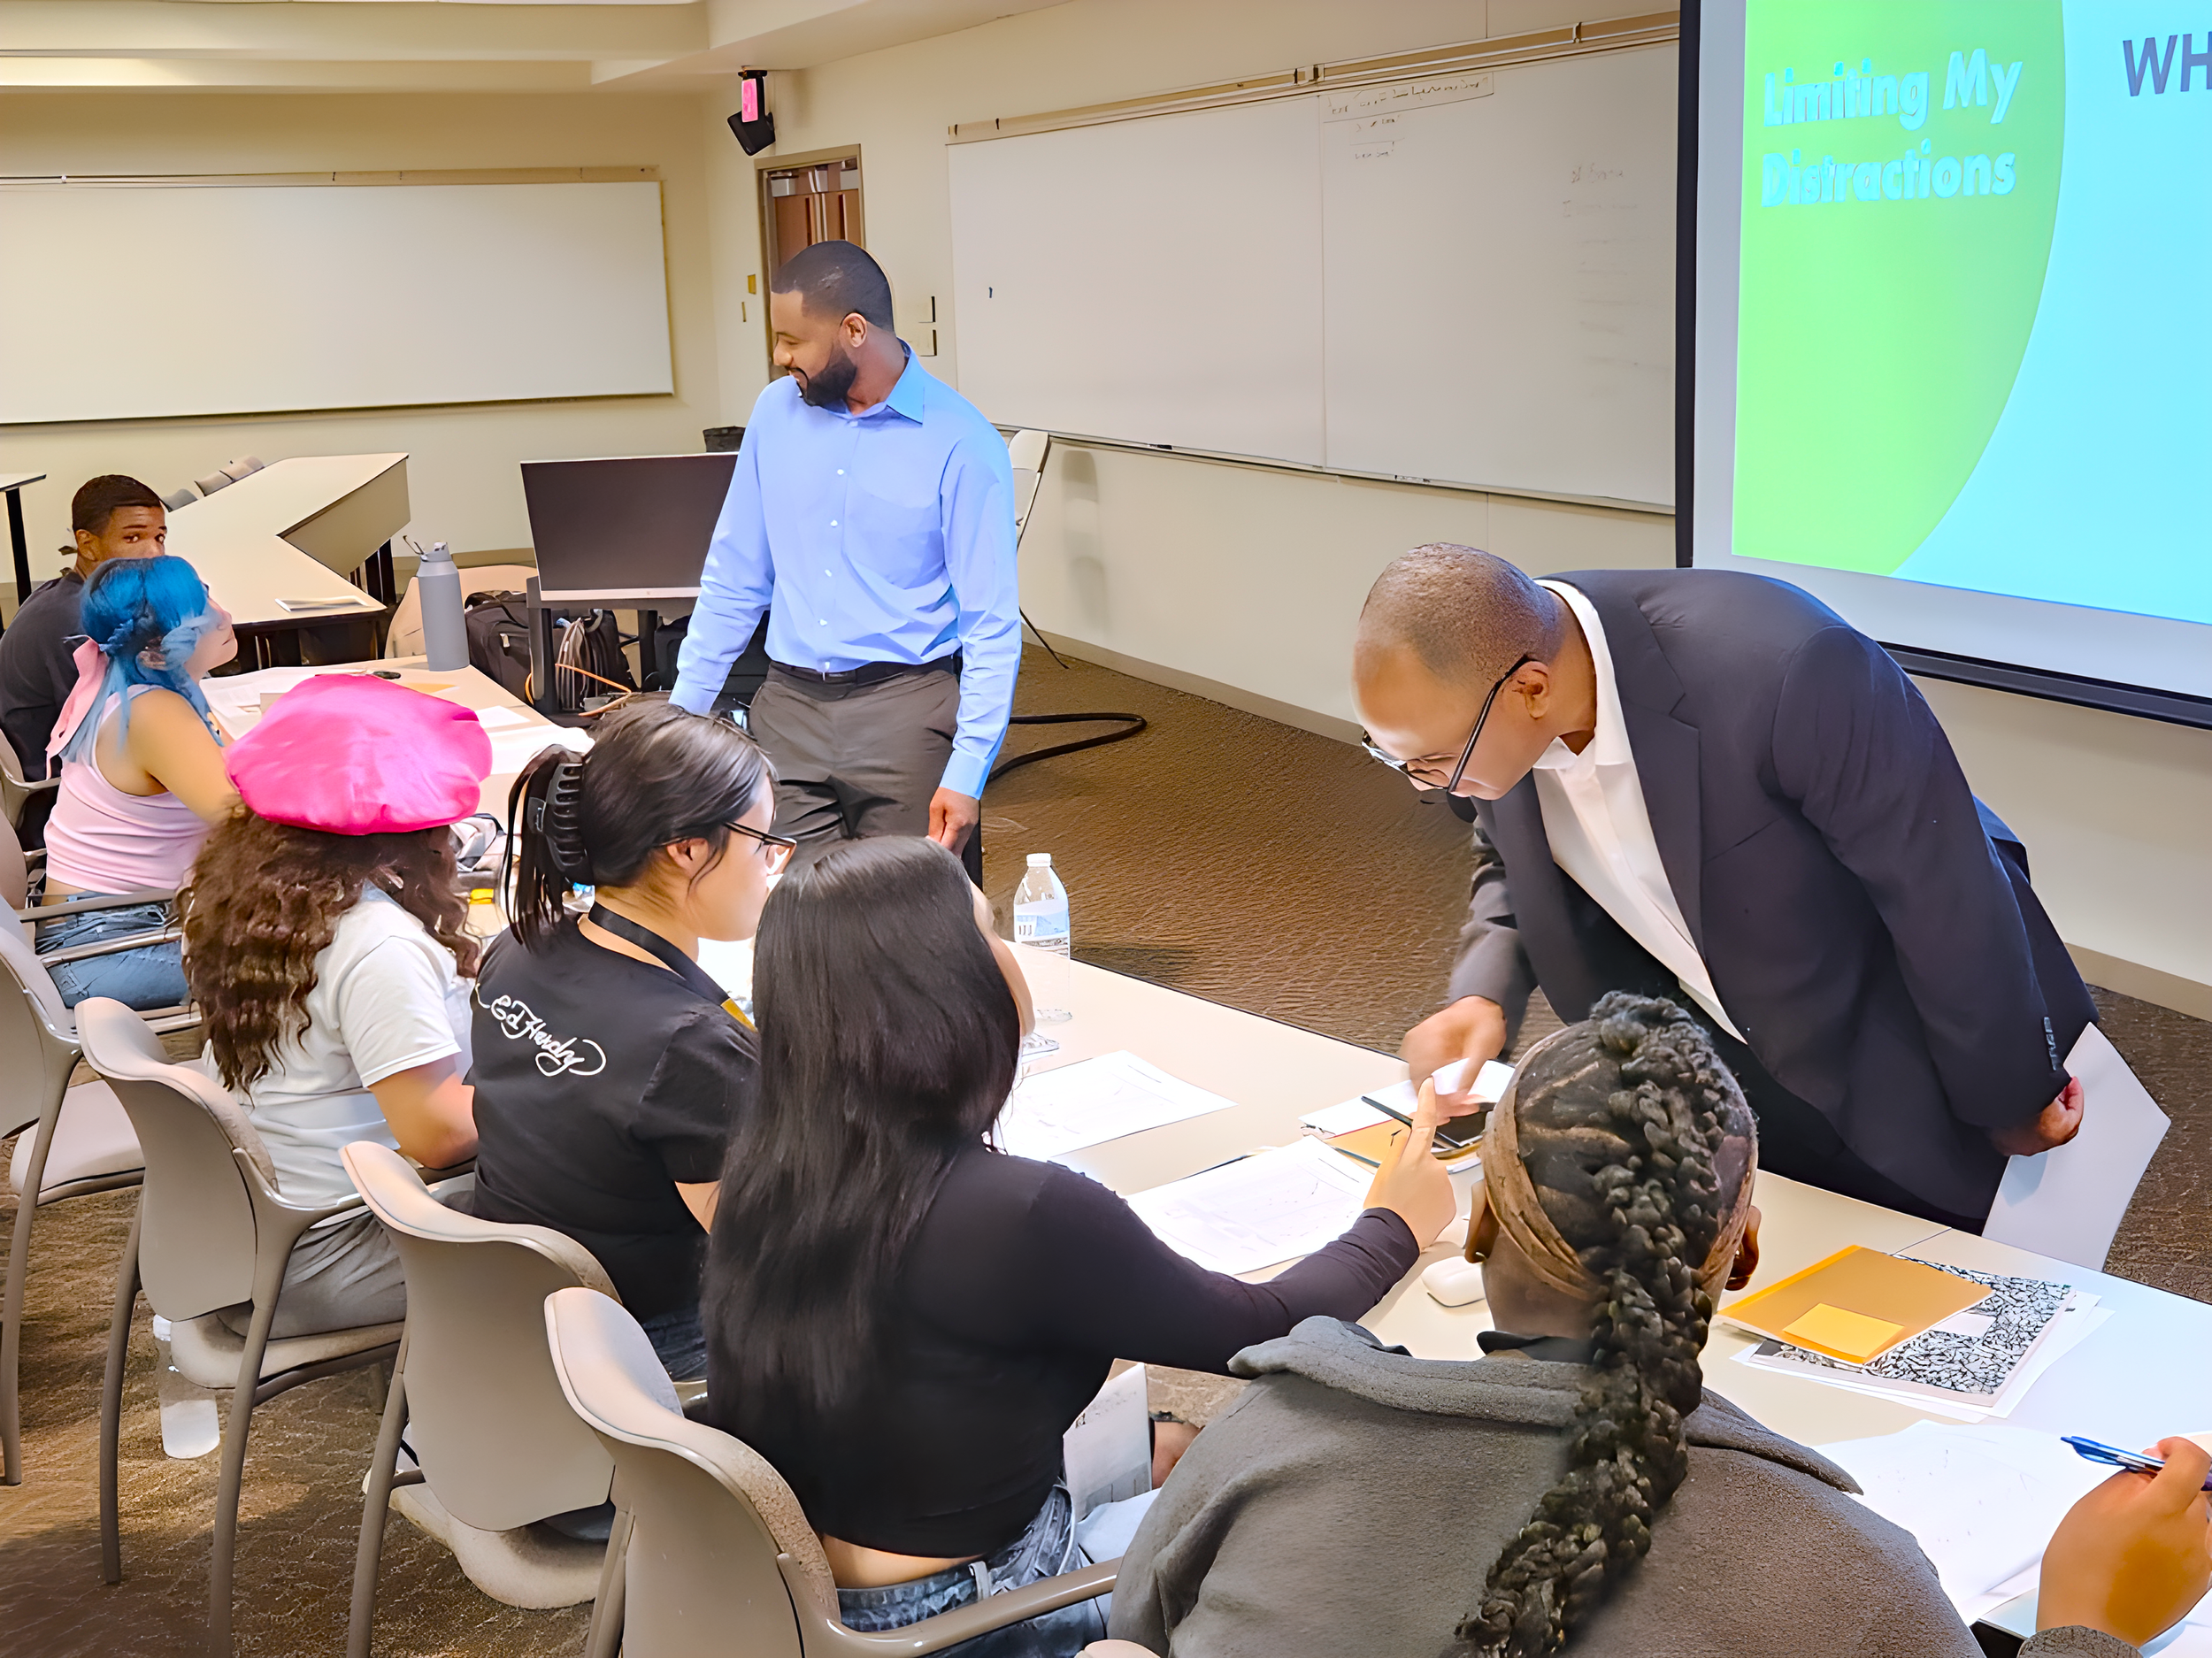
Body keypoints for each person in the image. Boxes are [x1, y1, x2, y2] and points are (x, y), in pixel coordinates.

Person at [1100, 994, 2205, 1658]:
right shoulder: (1853, 1580)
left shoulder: (1270, 1433)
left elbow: (1135, 1626)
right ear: (1745, 1253)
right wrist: (2086, 1622)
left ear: (1476, 1222)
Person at [703, 836, 1455, 1655]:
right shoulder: (1021, 1211)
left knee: (1167, 1438)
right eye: (989, 932)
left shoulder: (767, 1166)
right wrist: (1395, 1225)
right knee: (1343, 1511)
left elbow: (907, 1368)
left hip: (791, 1585)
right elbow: (1263, 1326)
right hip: (971, 1617)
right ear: (944, 987)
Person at [1356, 545, 2096, 1231]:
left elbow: (1944, 896)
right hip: (1727, 1072)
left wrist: (2008, 1093)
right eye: (1401, 761)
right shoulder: (1488, 710)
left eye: (1434, 762)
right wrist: (1482, 990)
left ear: (1533, 690)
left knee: (1977, 1305)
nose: (1429, 784)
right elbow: (1508, 853)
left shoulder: (1786, 667)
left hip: (1907, 1048)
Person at [669, 240, 1019, 880]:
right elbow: (735, 579)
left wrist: (968, 771)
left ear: (854, 330)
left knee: (912, 932)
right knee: (794, 924)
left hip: (907, 713)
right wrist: (680, 720)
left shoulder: (963, 442)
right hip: (788, 712)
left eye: (792, 339)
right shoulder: (774, 415)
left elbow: (991, 624)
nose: (780, 357)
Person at [467, 702, 785, 1383]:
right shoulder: (692, 1045)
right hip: (647, 1345)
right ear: (689, 849)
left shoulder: (519, 948)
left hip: (507, 1311)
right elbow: (770, 1252)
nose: (771, 867)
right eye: (762, 844)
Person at [180, 675, 488, 1339]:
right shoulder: (376, 944)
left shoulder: (246, 900)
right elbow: (438, 1138)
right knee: (606, 1207)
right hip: (333, 1251)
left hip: (256, 1234)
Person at [36, 555, 236, 1009]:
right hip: (105, 948)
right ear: (157, 649)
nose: (223, 615)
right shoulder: (154, 711)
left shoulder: (133, 682)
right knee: (319, 964)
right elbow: (252, 820)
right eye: (201, 608)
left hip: (115, 923)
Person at [0, 474, 167, 787]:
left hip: (82, 766)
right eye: (133, 538)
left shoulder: (75, 596)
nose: (155, 553)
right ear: (87, 544)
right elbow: (120, 727)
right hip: (60, 792)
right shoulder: (80, 625)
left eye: (159, 537)